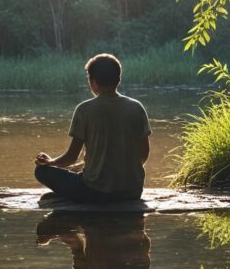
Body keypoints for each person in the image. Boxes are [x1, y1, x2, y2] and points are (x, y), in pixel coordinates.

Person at [33, 53, 151, 203]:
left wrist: (50, 163)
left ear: (92, 81)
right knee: (75, 171)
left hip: (94, 192)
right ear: (118, 79)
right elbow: (144, 154)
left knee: (41, 171)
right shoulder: (136, 107)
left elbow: (71, 156)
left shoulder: (84, 110)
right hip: (132, 191)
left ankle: (70, 195)